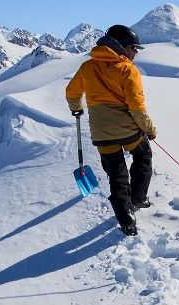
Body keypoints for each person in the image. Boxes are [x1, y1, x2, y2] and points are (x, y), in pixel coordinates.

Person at [65, 24, 157, 236]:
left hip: (101, 134)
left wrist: (77, 109)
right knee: (143, 156)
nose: (135, 52)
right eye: (134, 48)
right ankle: (138, 199)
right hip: (128, 131)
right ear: (124, 47)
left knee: (116, 176)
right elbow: (136, 106)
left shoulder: (87, 67)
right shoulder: (127, 69)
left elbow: (72, 93)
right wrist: (149, 129)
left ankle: (126, 221)